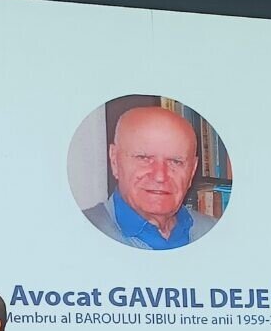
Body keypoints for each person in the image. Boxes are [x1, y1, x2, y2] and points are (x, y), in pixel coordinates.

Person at [82, 106, 216, 250]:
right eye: (143, 158)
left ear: (192, 170)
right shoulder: (76, 236)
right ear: (114, 160)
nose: (160, 176)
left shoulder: (218, 234)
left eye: (175, 162)